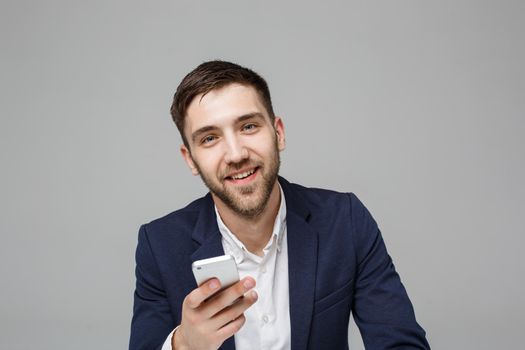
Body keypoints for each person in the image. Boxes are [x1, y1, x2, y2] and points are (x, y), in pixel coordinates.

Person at [129, 60, 430, 350]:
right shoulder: (159, 246)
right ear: (190, 159)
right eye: (209, 138)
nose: (235, 154)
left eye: (248, 126)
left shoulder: (345, 221)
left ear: (279, 133)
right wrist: (184, 346)